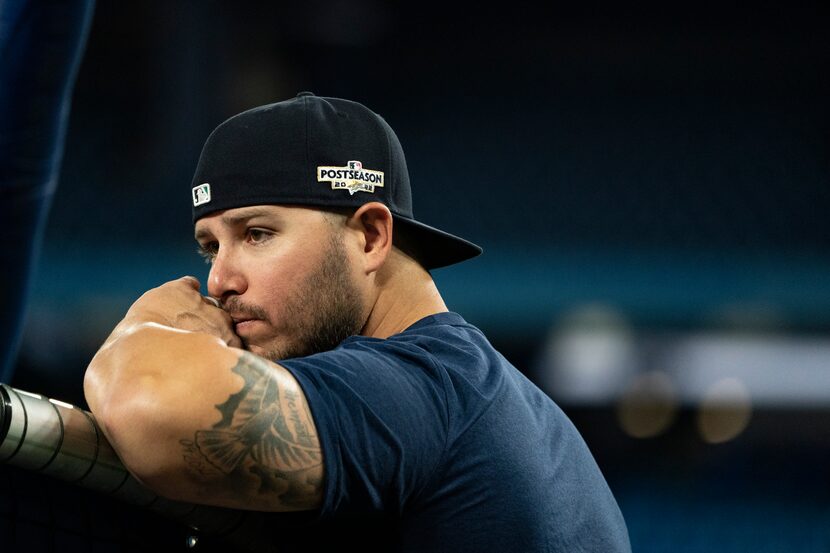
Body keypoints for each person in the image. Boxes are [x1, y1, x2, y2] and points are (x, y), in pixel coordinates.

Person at [83, 92, 631, 552]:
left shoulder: (415, 388)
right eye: (210, 247)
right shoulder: (484, 392)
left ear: (370, 237)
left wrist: (151, 322)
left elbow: (148, 408)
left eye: (257, 234)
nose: (220, 280)